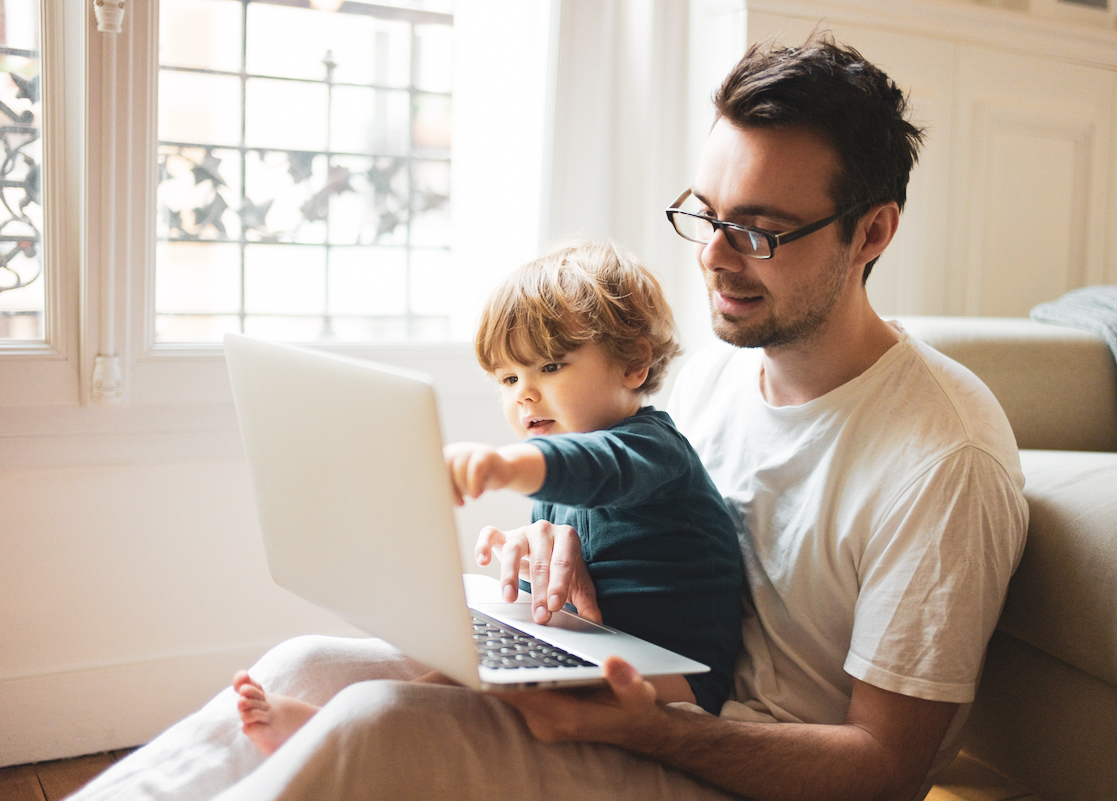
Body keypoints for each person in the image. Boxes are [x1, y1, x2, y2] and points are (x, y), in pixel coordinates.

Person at [69, 34, 1028, 801]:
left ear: (873, 231)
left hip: (724, 765)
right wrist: (562, 573)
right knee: (309, 663)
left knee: (372, 726)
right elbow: (641, 527)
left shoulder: (944, 455)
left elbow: (888, 770)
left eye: (762, 232)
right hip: (643, 694)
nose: (718, 259)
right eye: (705, 214)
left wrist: (653, 727)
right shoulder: (720, 379)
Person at [231, 240, 743, 756]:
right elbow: (559, 595)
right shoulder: (553, 481)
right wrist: (520, 587)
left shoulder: (652, 449)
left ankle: (328, 736)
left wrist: (504, 466)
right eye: (508, 377)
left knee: (460, 695)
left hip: (678, 682)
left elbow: (597, 467)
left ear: (634, 365)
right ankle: (331, 728)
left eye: (549, 367)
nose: (523, 392)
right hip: (602, 648)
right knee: (476, 665)